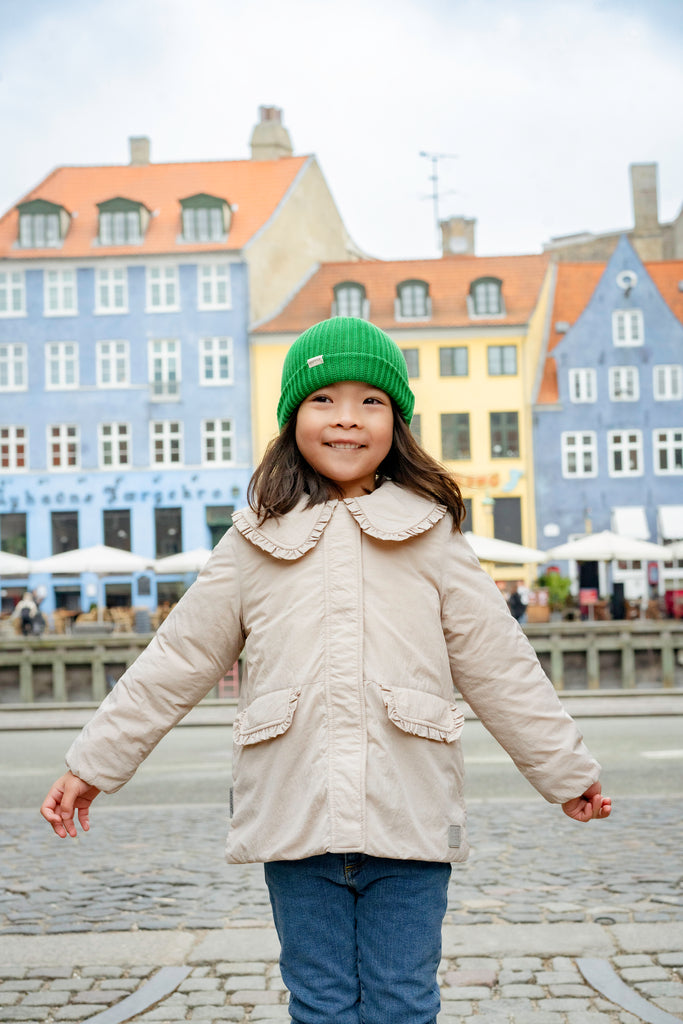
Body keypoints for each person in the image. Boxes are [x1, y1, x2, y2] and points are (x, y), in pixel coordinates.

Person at [41, 317, 611, 1024]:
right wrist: (93, 763)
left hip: (408, 813)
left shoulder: (432, 535)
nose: (346, 418)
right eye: (323, 399)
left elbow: (500, 664)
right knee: (319, 1004)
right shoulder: (252, 540)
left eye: (370, 400)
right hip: (295, 813)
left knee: (403, 1000)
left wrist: (565, 771)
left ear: (397, 422)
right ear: (292, 419)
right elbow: (177, 658)